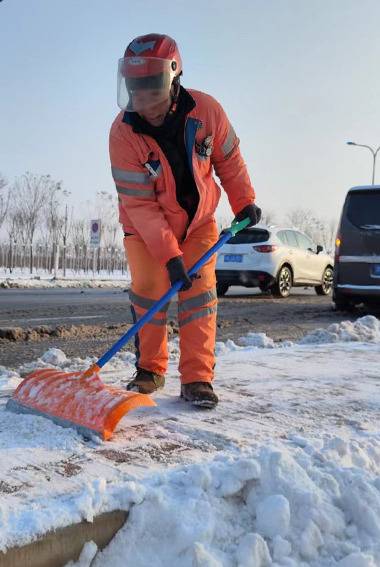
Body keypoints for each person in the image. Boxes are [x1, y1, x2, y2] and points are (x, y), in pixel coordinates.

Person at [109, 33, 261, 408]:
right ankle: (150, 371)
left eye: (152, 91)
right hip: (145, 232)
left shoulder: (207, 110)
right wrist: (169, 256)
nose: (144, 103)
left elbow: (229, 159)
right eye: (136, 92)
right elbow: (141, 206)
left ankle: (197, 379)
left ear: (174, 79)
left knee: (199, 296)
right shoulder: (123, 133)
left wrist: (244, 201)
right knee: (149, 292)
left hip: (198, 224)